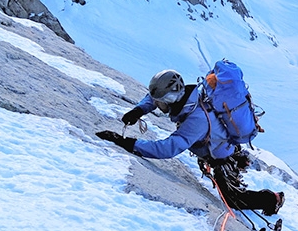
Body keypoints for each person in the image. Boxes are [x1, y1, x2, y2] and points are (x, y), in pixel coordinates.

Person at [96, 69, 283, 216]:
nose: (156, 104)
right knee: (231, 194)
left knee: (234, 200)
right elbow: (155, 97)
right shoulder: (187, 96)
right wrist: (139, 111)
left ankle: (272, 200)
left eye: (160, 102)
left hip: (223, 159)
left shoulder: (197, 120)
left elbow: (168, 148)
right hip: (220, 151)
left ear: (170, 100)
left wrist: (128, 143)